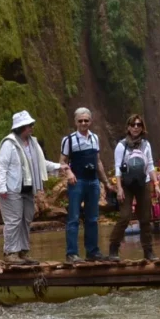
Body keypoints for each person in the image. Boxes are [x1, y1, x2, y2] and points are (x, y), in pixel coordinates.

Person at [0, 111, 67, 263]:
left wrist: (59, 166)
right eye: (29, 125)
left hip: (28, 188)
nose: (32, 127)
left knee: (26, 218)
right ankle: (10, 252)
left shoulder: (33, 144)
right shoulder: (9, 144)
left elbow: (42, 162)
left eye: (31, 125)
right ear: (21, 127)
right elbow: (2, 167)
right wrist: (1, 187)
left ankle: (23, 251)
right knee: (14, 220)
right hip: (11, 188)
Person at [60, 108, 113, 263]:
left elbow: (98, 162)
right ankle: (72, 254)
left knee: (92, 218)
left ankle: (93, 252)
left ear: (90, 121)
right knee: (74, 218)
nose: (83, 123)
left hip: (93, 182)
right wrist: (69, 174)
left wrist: (106, 183)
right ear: (75, 122)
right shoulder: (68, 140)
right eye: (80, 120)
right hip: (77, 182)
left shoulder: (94, 138)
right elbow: (62, 161)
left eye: (86, 120)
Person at [108, 114, 160, 262]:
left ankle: (148, 251)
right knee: (124, 217)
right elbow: (118, 168)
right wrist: (119, 189)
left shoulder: (146, 145)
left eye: (138, 125)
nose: (136, 127)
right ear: (128, 127)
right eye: (133, 125)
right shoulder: (121, 145)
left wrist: (156, 185)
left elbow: (150, 165)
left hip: (143, 183)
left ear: (142, 127)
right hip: (126, 184)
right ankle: (113, 247)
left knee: (145, 218)